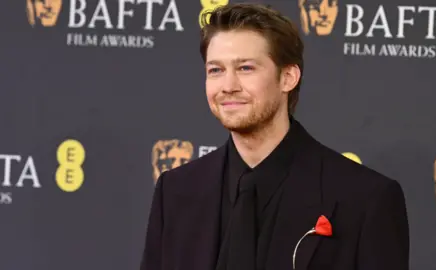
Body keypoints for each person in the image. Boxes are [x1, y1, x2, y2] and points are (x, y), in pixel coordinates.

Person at [140, 3, 409, 270]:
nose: (228, 86)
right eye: (216, 70)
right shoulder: (175, 191)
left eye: (245, 68)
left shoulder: (365, 198)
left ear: (288, 77)